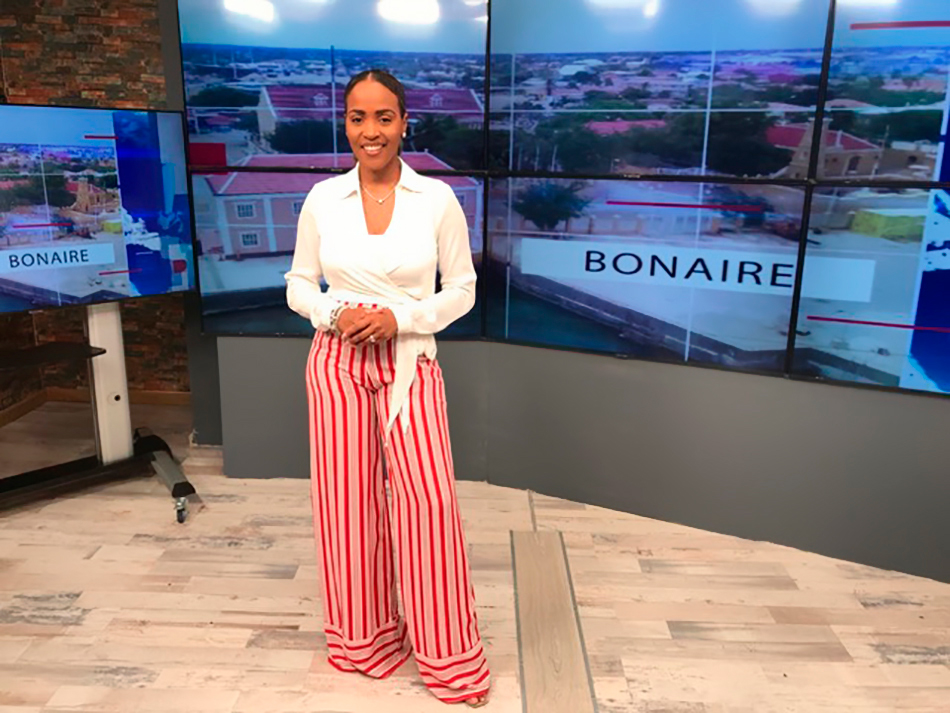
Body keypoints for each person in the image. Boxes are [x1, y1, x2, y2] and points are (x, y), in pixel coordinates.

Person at [284, 69, 491, 708]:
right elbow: (298, 284)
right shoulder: (323, 198)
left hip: (410, 361)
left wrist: (401, 318)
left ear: (404, 123)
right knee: (346, 509)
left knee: (428, 507)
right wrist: (332, 312)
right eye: (357, 117)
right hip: (336, 362)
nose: (369, 130)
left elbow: (463, 290)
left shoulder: (437, 199)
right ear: (345, 124)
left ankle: (451, 660)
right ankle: (364, 641)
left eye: (383, 117)